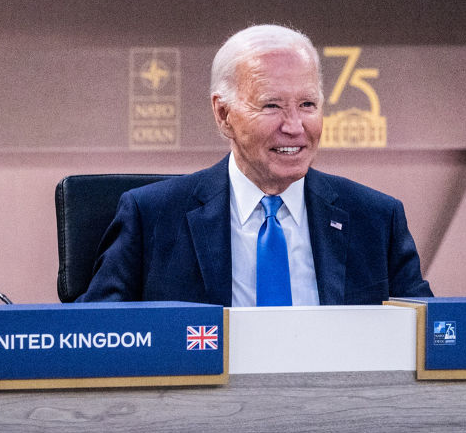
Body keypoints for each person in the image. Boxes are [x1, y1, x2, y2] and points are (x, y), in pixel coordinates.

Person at [80, 24, 432, 305]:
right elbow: (95, 338)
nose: (294, 126)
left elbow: (430, 341)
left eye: (308, 104)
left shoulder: (376, 219)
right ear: (223, 114)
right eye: (271, 106)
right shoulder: (151, 217)